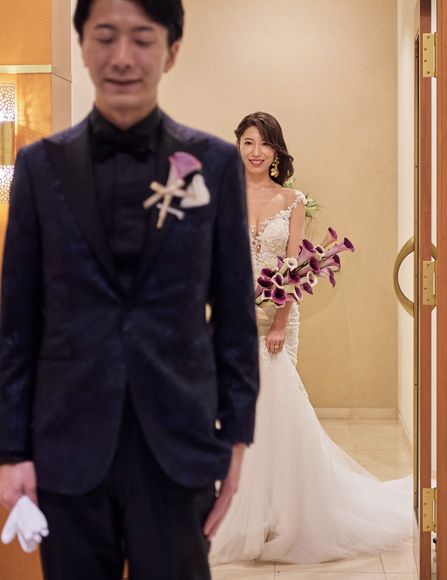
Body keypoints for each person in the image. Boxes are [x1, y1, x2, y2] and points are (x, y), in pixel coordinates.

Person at [0, 1, 259, 579]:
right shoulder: (39, 167)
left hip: (178, 445)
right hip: (66, 448)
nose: (122, 57)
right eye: (105, 37)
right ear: (82, 46)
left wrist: (236, 441)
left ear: (171, 52)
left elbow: (235, 316)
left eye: (142, 39)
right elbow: (18, 323)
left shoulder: (215, 165)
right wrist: (12, 451)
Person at [209, 112, 413, 565]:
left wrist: (280, 322)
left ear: (276, 151)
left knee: (277, 409)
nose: (256, 151)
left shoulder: (292, 200)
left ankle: (286, 513)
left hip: (277, 319)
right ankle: (246, 511)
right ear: (237, 146)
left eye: (264, 143)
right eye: (248, 142)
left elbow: (295, 266)